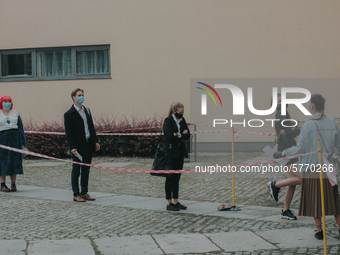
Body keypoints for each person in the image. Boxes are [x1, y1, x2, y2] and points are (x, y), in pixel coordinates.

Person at [274, 94, 340, 239]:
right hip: (328, 168)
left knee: (314, 199)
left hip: (312, 168)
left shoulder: (308, 125)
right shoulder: (332, 123)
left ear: (312, 106)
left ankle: (319, 230)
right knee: (334, 200)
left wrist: (283, 152)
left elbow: (299, 149)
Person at [267, 94, 301, 220]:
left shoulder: (283, 113)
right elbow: (287, 132)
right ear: (275, 104)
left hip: (287, 151)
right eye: (280, 101)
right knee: (304, 179)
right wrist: (293, 130)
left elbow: (288, 130)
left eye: (284, 100)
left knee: (292, 182)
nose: (283, 103)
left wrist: (293, 129)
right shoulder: (281, 113)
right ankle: (275, 185)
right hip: (288, 152)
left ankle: (285, 210)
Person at [64, 88, 100, 202]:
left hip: (88, 144)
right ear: (73, 97)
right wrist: (72, 147)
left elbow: (91, 127)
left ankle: (84, 192)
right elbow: (68, 133)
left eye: (82, 95)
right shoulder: (69, 114)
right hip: (77, 147)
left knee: (86, 169)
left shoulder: (87, 110)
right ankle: (76, 194)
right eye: (79, 95)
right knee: (76, 170)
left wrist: (96, 141)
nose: (81, 97)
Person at [163, 102, 190, 211]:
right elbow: (169, 136)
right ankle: (169, 203)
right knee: (170, 177)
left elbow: (187, 134)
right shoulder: (168, 121)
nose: (182, 114)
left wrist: (178, 134)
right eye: (180, 112)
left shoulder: (182, 120)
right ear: (174, 111)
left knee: (177, 177)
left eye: (183, 112)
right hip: (170, 152)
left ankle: (176, 201)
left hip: (180, 152)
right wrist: (180, 134)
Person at [0, 95, 26, 192]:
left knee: (14, 161)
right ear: (1, 103)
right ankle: (2, 184)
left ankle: (13, 184)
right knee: (2, 161)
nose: (7, 103)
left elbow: (21, 128)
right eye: (5, 101)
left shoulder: (15, 113)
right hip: (2, 140)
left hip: (15, 140)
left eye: (9, 101)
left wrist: (23, 142)